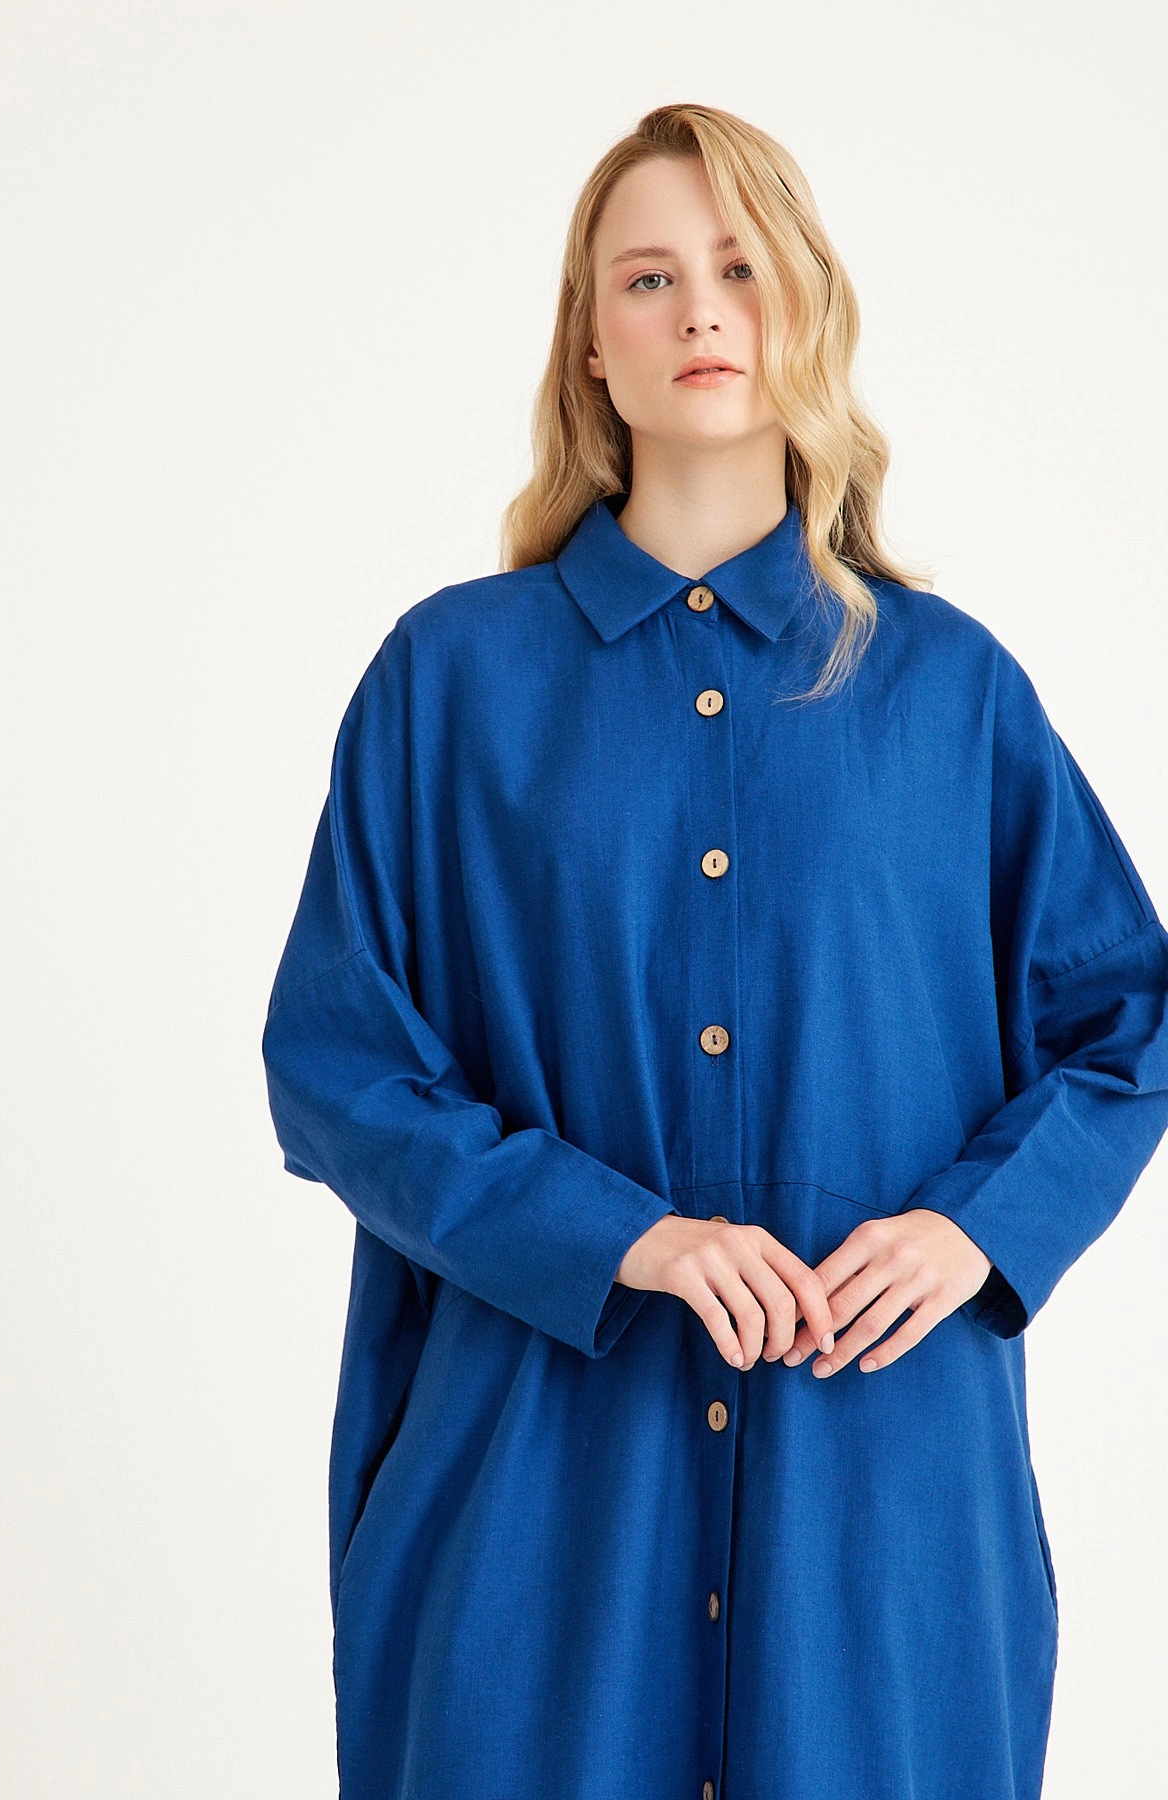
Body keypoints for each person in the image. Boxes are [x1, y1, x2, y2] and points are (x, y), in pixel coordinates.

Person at [261, 102, 1168, 1800]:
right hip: (534, 1516)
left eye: (741, 268)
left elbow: (1132, 1020)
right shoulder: (449, 684)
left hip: (878, 1516)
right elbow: (335, 1064)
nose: (699, 311)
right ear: (589, 344)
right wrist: (621, 1237)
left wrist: (976, 1230)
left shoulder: (950, 695)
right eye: (649, 277)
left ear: (802, 306)